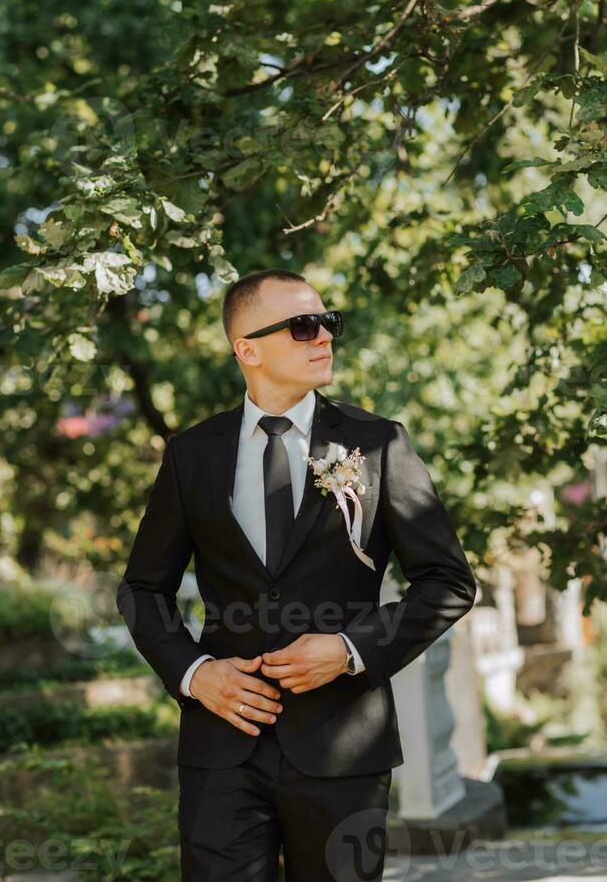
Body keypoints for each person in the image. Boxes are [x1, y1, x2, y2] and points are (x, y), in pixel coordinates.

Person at [116, 267, 477, 882]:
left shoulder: (379, 444)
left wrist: (349, 649)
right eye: (304, 326)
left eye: (328, 323)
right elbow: (142, 588)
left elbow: (449, 582)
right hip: (222, 744)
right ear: (247, 349)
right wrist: (195, 674)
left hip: (345, 747)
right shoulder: (191, 454)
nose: (324, 337)